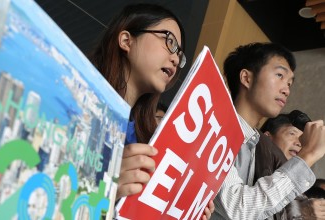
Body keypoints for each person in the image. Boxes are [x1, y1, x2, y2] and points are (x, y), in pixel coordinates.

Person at [89, 3, 214, 219]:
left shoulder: (148, 141)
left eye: (180, 54)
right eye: (169, 41)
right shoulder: (79, 104)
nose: (175, 58)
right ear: (126, 40)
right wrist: (104, 189)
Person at [211, 42, 325, 220]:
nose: (286, 89)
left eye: (289, 83)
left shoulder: (257, 144)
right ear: (246, 78)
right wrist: (307, 155)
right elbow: (238, 208)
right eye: (279, 75)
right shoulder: (214, 129)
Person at [256, 111, 325, 219]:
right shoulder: (253, 168)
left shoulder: (300, 194)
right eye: (292, 134)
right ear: (267, 137)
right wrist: (301, 212)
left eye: (302, 138)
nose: (299, 143)